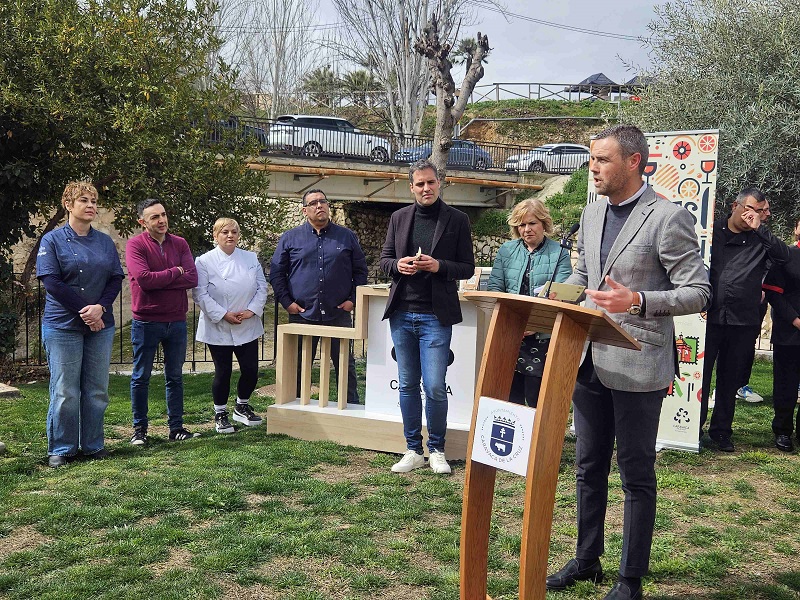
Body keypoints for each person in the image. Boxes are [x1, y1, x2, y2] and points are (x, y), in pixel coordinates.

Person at [546, 125, 710, 600]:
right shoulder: (592, 211)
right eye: (591, 158)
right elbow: (585, 273)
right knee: (587, 466)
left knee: (635, 473)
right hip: (588, 360)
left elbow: (698, 291)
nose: (593, 167)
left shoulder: (667, 217)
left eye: (603, 159)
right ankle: (587, 560)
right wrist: (560, 295)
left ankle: (629, 578)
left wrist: (636, 300)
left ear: (635, 161)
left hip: (640, 363)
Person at [379, 159, 475, 475]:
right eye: (419, 184)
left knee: (434, 386)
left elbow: (467, 267)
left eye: (430, 182)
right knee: (407, 384)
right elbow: (384, 261)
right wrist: (398, 266)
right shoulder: (398, 218)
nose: (426, 188)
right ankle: (412, 449)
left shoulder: (458, 219)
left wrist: (439, 267)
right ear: (412, 187)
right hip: (402, 314)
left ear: (439, 183)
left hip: (435, 316)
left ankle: (436, 449)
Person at [36, 182, 125, 467]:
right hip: (62, 325)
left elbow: (115, 278)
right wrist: (85, 311)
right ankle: (61, 448)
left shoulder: (104, 242)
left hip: (100, 324)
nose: (91, 205)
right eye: (84, 200)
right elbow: (51, 281)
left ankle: (93, 445)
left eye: (94, 201)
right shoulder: (52, 240)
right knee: (65, 390)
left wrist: (100, 309)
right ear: (68, 204)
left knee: (97, 388)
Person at [699, 188, 789, 452]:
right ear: (736, 206)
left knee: (730, 379)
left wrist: (760, 229)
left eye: (764, 211)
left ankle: (721, 432)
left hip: (743, 320)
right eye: (756, 209)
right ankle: (693, 428)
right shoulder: (711, 233)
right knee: (701, 377)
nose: (761, 215)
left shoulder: (762, 239)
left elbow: (784, 257)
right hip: (709, 316)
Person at [269, 189, 368, 405]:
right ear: (305, 210)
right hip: (302, 314)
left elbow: (361, 272)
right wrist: (287, 303)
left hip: (338, 313)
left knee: (344, 364)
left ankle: (350, 405)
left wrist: (353, 299)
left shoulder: (347, 236)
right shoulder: (290, 238)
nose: (319, 205)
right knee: (299, 364)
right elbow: (276, 273)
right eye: (313, 203)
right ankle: (294, 405)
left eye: (323, 201)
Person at [126, 198, 199, 445]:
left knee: (175, 376)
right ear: (142, 222)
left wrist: (163, 279)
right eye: (155, 217)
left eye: (163, 215)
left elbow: (192, 278)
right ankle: (139, 431)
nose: (161, 220)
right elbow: (144, 280)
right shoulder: (135, 245)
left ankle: (176, 428)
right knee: (141, 377)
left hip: (176, 320)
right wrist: (175, 271)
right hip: (146, 321)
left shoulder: (179, 243)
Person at [487, 198, 572, 406]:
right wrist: (513, 322)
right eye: (521, 224)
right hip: (510, 335)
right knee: (509, 398)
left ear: (544, 223)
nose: (526, 229)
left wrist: (535, 323)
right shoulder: (506, 250)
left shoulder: (559, 253)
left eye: (532, 223)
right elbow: (495, 289)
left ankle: (536, 438)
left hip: (542, 338)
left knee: (536, 399)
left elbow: (564, 294)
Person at [193, 217, 268, 434]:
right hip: (218, 325)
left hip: (247, 322)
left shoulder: (250, 258)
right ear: (215, 236)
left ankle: (242, 405)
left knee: (251, 371)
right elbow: (200, 293)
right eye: (224, 232)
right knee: (223, 372)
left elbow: (262, 287)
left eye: (234, 232)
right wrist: (223, 314)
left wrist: (251, 310)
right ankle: (220, 414)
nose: (230, 235)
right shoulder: (204, 261)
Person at [763, 218, 800, 451]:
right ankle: (783, 431)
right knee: (786, 385)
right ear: (796, 228)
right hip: (790, 332)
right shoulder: (787, 255)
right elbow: (774, 293)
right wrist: (796, 320)